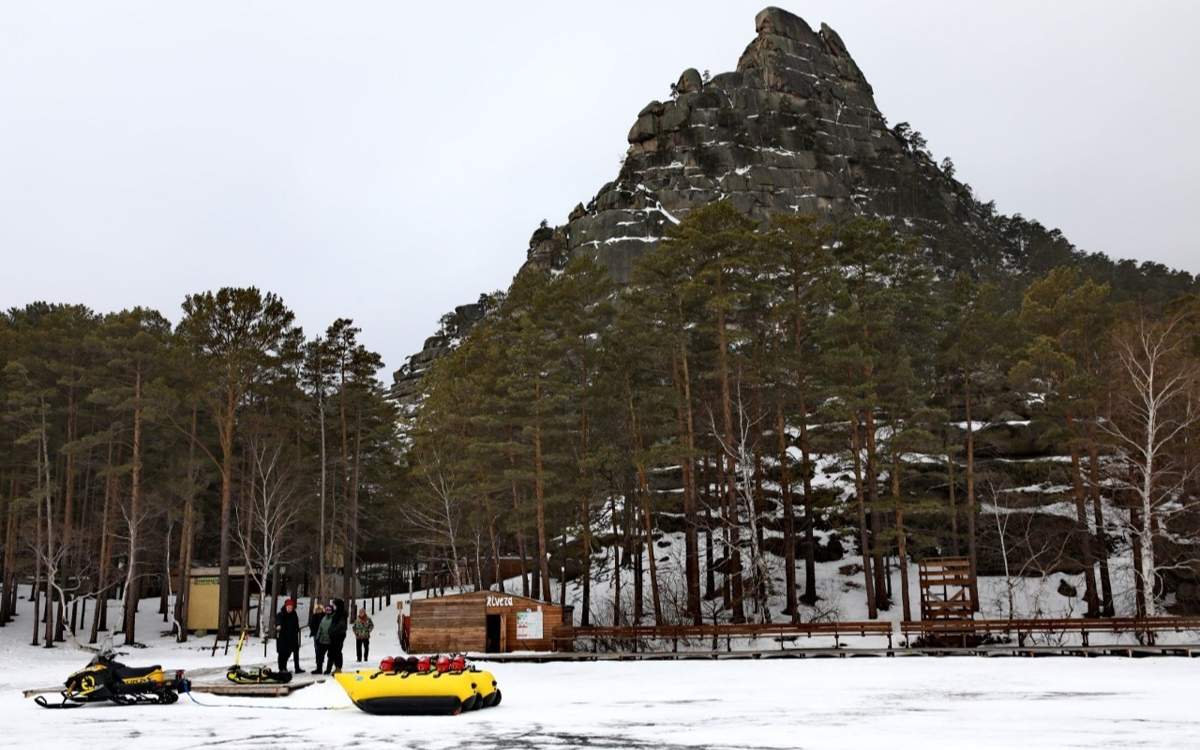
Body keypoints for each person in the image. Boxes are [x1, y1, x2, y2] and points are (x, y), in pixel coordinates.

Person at [275, 598, 304, 674]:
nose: (290, 609)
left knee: (295, 652)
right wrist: (278, 625)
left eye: (291, 607)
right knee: (283, 654)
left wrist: (296, 630)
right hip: (283, 638)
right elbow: (278, 621)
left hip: (293, 637)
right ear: (285, 606)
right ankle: (282, 668)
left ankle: (297, 668)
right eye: (288, 607)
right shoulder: (281, 614)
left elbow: (296, 625)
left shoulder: (294, 614)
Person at [325, 598, 348, 674]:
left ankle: (338, 668)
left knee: (337, 652)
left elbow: (341, 626)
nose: (333, 606)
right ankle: (329, 668)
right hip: (333, 636)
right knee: (331, 652)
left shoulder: (341, 614)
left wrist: (332, 631)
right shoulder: (335, 613)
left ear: (338, 605)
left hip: (339, 636)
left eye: (334, 605)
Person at [310, 602, 330, 674]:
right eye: (317, 609)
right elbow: (311, 625)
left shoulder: (324, 616)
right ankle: (319, 667)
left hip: (324, 636)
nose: (318, 610)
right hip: (316, 636)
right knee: (317, 651)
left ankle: (327, 668)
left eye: (320, 609)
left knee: (322, 652)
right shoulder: (314, 616)